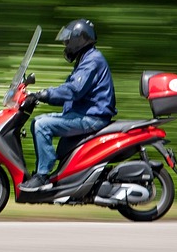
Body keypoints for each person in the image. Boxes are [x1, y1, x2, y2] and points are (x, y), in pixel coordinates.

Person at [20, 18, 116, 191]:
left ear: (79, 39)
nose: (65, 45)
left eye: (67, 41)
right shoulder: (86, 59)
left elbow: (74, 90)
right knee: (43, 124)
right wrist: (37, 96)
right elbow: (70, 94)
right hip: (85, 113)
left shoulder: (92, 60)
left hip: (92, 117)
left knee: (41, 125)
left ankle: (42, 176)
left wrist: (44, 94)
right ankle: (58, 179)